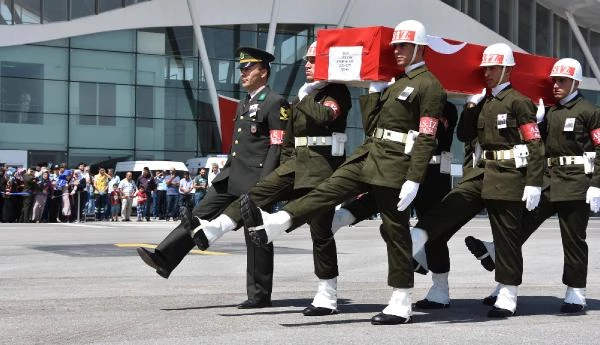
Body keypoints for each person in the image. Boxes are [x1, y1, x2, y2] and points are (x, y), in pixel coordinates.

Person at [240, 20, 446, 325]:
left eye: (404, 46)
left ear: (420, 47)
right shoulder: (396, 83)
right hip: (370, 153)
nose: (398, 51)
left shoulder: (430, 86)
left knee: (396, 230)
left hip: (396, 164)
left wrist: (414, 177)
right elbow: (372, 126)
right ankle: (278, 222)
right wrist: (376, 93)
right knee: (327, 191)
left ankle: (401, 302)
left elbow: (427, 135)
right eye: (397, 46)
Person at [186, 41, 352, 316]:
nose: (307, 65)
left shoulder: (335, 92)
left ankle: (327, 294)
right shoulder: (302, 97)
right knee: (254, 195)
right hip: (295, 165)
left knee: (320, 232)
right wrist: (282, 168)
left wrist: (308, 93)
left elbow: (325, 116)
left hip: (322, 168)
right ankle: (213, 229)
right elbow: (288, 139)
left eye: (313, 61)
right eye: (306, 61)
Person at [136, 46, 289, 309]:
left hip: (256, 179)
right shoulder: (244, 102)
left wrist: (267, 183)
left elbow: (277, 145)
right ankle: (164, 258)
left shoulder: (275, 102)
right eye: (241, 68)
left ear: (263, 72)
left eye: (248, 68)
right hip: (230, 176)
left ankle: (259, 295)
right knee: (197, 214)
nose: (242, 72)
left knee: (256, 235)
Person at [465, 58, 600, 314]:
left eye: (562, 81)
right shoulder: (549, 112)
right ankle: (502, 279)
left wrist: (596, 184)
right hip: (548, 181)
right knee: (516, 229)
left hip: (576, 183)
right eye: (555, 80)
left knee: (573, 240)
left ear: (576, 82)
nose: (556, 85)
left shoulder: (590, 112)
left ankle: (575, 291)